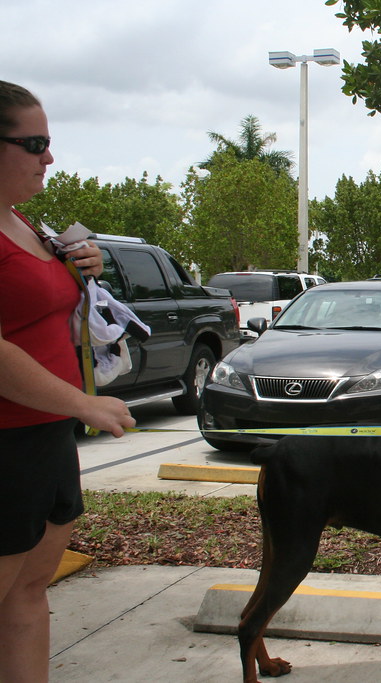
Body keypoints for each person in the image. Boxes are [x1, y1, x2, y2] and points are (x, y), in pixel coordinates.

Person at [0, 80, 136, 682]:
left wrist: (85, 264)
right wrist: (84, 402)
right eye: (34, 144)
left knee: (28, 595)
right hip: (6, 443)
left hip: (46, 440)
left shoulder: (22, 224)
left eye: (48, 142)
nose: (48, 158)